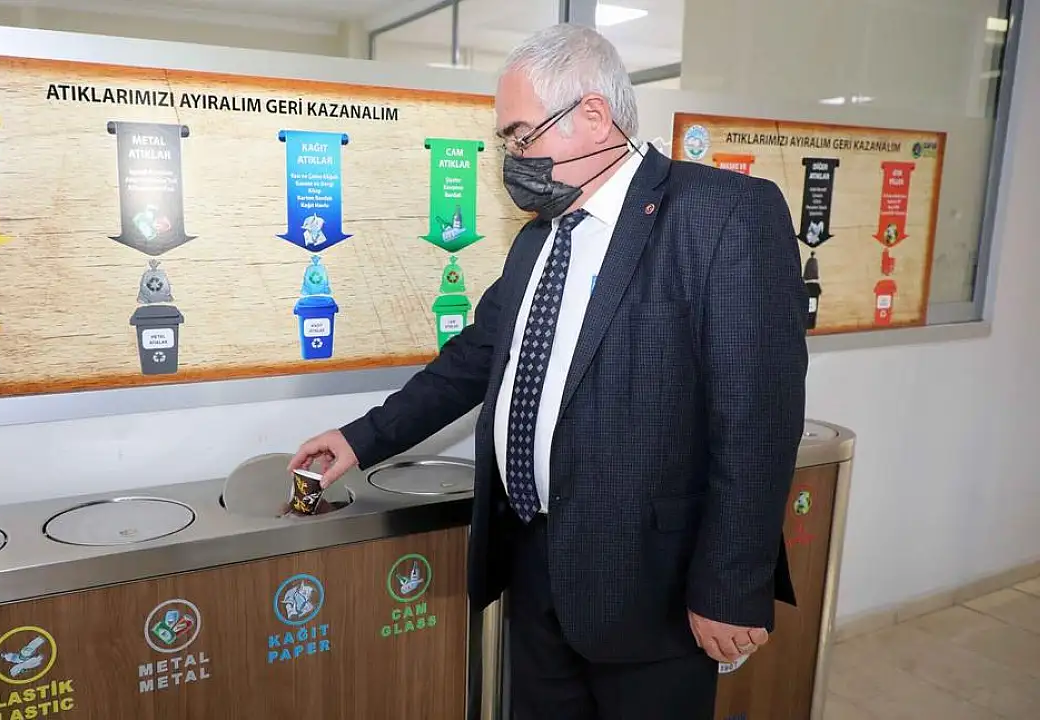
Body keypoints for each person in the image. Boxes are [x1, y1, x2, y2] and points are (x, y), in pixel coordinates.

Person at [291, 23, 807, 720]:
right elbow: (476, 357)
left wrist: (731, 588)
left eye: (521, 135)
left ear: (593, 116)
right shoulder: (539, 239)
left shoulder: (722, 214)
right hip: (535, 568)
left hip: (651, 587)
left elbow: (757, 422)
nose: (512, 157)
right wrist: (362, 438)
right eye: (506, 141)